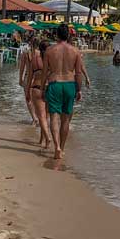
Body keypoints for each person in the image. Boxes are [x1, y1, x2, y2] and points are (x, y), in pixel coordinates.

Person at [44, 24, 87, 159]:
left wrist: (41, 88)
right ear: (68, 35)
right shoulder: (75, 51)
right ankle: (61, 148)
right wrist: (79, 90)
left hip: (54, 83)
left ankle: (56, 146)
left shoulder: (50, 51)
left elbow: (45, 72)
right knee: (66, 119)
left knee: (53, 117)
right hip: (69, 84)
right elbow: (78, 73)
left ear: (56, 35)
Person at [28, 40, 53, 150]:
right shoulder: (52, 60)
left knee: (41, 117)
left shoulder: (34, 60)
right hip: (49, 88)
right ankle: (42, 139)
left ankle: (47, 138)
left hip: (37, 88)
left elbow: (29, 77)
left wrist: (27, 92)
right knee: (46, 117)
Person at [18, 35, 36, 125]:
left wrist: (20, 79)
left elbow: (22, 67)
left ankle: (34, 118)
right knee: (39, 100)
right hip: (38, 78)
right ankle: (40, 118)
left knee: (28, 100)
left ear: (29, 43)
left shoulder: (25, 53)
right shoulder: (42, 53)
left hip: (27, 77)